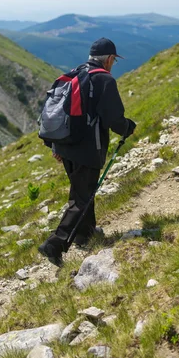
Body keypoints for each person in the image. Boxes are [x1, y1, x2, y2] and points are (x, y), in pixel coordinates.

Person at [38, 37, 136, 266]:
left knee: (82, 191)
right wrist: (128, 128)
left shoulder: (75, 73)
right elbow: (114, 119)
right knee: (82, 197)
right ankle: (54, 244)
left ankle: (86, 235)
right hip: (86, 149)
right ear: (110, 59)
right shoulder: (104, 80)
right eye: (114, 60)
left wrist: (55, 145)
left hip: (65, 145)